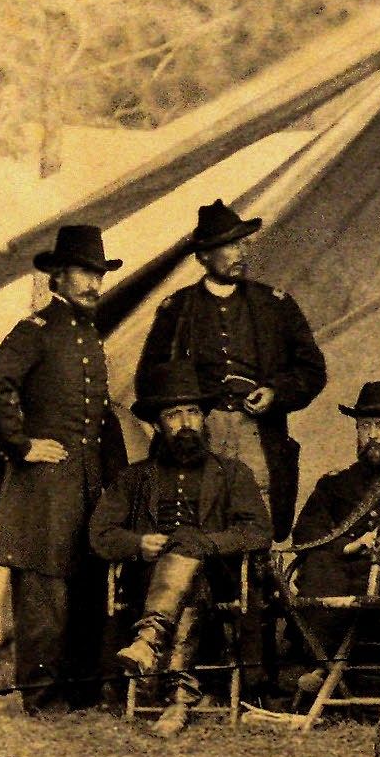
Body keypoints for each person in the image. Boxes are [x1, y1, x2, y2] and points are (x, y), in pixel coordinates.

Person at [0, 224, 130, 714]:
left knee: (84, 585)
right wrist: (20, 445)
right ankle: (42, 697)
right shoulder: (35, 331)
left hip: (85, 484)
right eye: (83, 272)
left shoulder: (88, 336)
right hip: (44, 485)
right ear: (58, 276)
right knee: (43, 591)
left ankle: (80, 691)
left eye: (98, 274)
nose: (92, 284)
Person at [89, 359, 271, 737]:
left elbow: (258, 531)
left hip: (219, 578)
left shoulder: (233, 473)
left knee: (189, 545)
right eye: (174, 415)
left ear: (204, 418)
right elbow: (101, 533)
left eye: (193, 412)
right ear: (157, 424)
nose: (186, 423)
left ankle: (148, 641)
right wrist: (139, 543)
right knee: (188, 580)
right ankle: (178, 701)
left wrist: (205, 545)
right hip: (148, 581)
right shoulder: (134, 478)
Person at [134, 199, 329, 541]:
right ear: (203, 256)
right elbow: (148, 381)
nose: (239, 253)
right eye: (227, 246)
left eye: (240, 243)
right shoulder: (176, 310)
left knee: (258, 528)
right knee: (192, 527)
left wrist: (275, 392)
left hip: (258, 434)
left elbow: (312, 370)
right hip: (198, 435)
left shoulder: (275, 305)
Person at [278, 379, 380, 685]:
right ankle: (322, 666)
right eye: (364, 425)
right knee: (318, 565)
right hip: (340, 579)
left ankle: (322, 669)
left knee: (327, 570)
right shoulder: (334, 485)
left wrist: (377, 546)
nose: (372, 435)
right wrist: (351, 545)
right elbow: (306, 534)